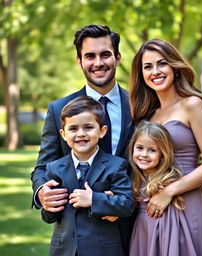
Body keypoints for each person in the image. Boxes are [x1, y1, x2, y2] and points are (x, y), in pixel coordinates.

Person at [31, 24, 134, 254]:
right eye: (90, 56)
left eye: (105, 54)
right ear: (79, 61)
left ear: (117, 58)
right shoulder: (59, 110)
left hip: (132, 228)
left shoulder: (139, 106)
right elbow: (42, 166)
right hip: (75, 236)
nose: (98, 63)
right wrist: (42, 193)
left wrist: (116, 201)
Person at [129, 39, 202, 255]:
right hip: (149, 210)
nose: (155, 71)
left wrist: (169, 191)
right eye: (148, 67)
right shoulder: (147, 115)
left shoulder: (192, 105)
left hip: (185, 203)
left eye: (162, 63)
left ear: (174, 66)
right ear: (142, 75)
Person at [41, 96, 135, 256]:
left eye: (88, 127)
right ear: (63, 134)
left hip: (103, 250)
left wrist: (94, 200)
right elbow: (49, 217)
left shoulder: (116, 165)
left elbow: (127, 204)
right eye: (73, 129)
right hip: (64, 250)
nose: (81, 134)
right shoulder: (54, 168)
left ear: (102, 131)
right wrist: (48, 205)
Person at [128, 120, 187, 255]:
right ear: (132, 148)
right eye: (140, 148)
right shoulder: (134, 179)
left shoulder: (167, 181)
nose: (144, 154)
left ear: (162, 155)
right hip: (142, 231)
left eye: (152, 150)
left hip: (164, 231)